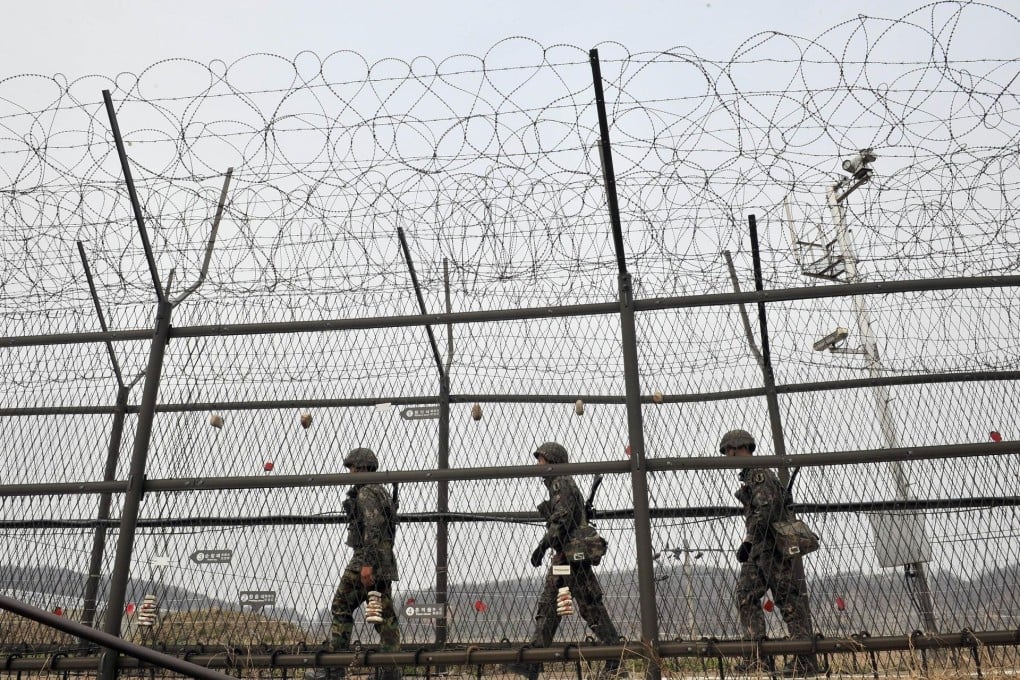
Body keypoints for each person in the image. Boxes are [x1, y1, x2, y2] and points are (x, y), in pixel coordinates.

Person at [507, 442, 623, 680]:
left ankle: (615, 659)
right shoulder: (561, 484)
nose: (538, 465)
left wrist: (543, 545)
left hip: (571, 557)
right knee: (552, 605)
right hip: (565, 556)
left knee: (588, 607)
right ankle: (534, 661)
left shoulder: (562, 483)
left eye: (541, 460)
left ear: (552, 461)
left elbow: (563, 518)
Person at [721, 429, 818, 677]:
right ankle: (757, 658)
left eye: (727, 451)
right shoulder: (754, 476)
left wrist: (750, 539)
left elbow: (766, 510)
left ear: (736, 448)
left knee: (787, 600)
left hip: (770, 548)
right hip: (759, 549)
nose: (726, 456)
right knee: (746, 595)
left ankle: (804, 659)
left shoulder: (760, 475)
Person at [307, 447, 401, 680]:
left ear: (362, 467)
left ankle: (334, 667)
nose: (349, 472)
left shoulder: (367, 492)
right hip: (384, 561)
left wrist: (366, 565)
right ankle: (389, 669)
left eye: (351, 468)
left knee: (341, 605)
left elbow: (373, 529)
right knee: (385, 614)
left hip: (366, 561)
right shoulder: (381, 491)